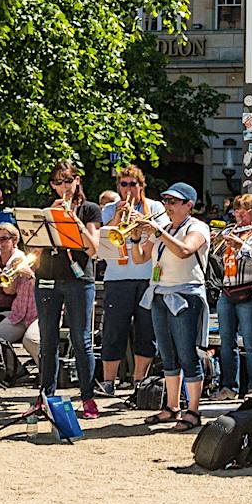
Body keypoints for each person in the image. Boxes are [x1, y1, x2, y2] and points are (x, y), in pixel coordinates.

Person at [28, 163, 100, 421]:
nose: (63, 187)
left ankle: (87, 397)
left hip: (78, 280)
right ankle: (45, 397)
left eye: (68, 181)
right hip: (47, 277)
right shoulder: (46, 210)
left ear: (77, 181)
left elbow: (93, 250)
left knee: (81, 340)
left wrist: (74, 220)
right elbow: (35, 244)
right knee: (48, 340)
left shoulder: (89, 209)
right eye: (58, 182)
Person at [137, 181, 210, 427]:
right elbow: (140, 258)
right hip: (159, 293)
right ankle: (171, 406)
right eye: (166, 201)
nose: (168, 206)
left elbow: (185, 251)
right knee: (167, 355)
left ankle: (194, 410)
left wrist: (158, 233)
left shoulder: (198, 227)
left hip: (185, 296)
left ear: (188, 205)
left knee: (187, 354)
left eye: (173, 202)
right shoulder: (166, 227)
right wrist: (139, 236)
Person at [97, 164, 162, 397]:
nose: (128, 189)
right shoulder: (108, 210)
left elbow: (160, 235)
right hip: (117, 277)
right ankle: (108, 381)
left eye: (132, 184)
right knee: (114, 330)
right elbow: (103, 240)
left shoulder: (155, 207)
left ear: (141, 186)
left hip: (146, 277)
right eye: (123, 184)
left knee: (146, 330)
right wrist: (117, 217)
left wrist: (143, 223)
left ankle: (139, 382)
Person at [215, 190, 252, 399]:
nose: (239, 216)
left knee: (250, 341)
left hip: (251, 290)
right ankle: (229, 386)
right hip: (228, 291)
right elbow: (217, 259)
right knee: (226, 341)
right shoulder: (233, 231)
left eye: (244, 212)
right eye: (236, 212)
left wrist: (242, 247)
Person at [0, 221, 41, 375]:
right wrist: (13, 274)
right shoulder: (20, 261)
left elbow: (49, 289)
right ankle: (18, 372)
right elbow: (9, 291)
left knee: (32, 341)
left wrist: (30, 275)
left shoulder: (50, 263)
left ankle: (47, 374)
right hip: (19, 313)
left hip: (41, 314)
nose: (32, 249)